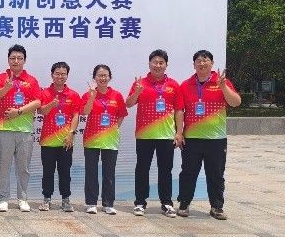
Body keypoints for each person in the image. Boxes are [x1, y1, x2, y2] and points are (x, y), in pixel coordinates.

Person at [177, 51, 241, 220]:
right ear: (194, 65)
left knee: (216, 174)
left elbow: (236, 102)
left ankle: (217, 207)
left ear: (212, 63)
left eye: (205, 60)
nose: (202, 63)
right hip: (192, 138)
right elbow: (180, 110)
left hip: (216, 139)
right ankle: (184, 204)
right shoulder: (186, 85)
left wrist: (223, 87)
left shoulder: (222, 82)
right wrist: (179, 132)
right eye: (198, 61)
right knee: (188, 173)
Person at [125, 49, 184, 217]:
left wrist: (179, 133)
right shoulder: (140, 83)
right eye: (155, 62)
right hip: (144, 135)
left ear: (166, 65)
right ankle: (140, 203)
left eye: (161, 63)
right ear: (149, 64)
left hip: (166, 135)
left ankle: (166, 203)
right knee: (142, 169)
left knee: (165, 170)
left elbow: (179, 110)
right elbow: (128, 104)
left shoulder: (173, 85)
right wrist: (137, 92)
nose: (157, 65)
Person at [0, 44, 41, 212]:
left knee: (23, 167)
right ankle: (3, 198)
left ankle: (22, 199)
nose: (16, 61)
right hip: (3, 129)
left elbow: (38, 102)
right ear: (8, 60)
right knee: (3, 165)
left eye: (19, 58)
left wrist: (18, 111)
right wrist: (6, 87)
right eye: (13, 58)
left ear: (24, 60)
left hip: (24, 130)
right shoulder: (0, 77)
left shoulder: (31, 80)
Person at [81, 64, 128, 215]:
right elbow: (84, 112)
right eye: (99, 75)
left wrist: (112, 129)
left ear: (110, 77)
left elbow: (121, 115)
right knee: (91, 172)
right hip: (91, 139)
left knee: (109, 172)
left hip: (110, 140)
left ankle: (108, 203)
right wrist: (92, 97)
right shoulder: (88, 94)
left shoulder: (117, 95)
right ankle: (91, 203)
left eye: (105, 75)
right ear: (94, 78)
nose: (102, 78)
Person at [37, 61, 81, 213]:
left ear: (67, 76)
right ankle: (46, 199)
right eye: (57, 73)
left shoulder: (73, 95)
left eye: (63, 74)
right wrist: (51, 104)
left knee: (65, 172)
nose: (60, 76)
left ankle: (65, 200)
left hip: (66, 141)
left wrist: (71, 134)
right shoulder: (45, 93)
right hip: (48, 141)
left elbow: (76, 115)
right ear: (52, 75)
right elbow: (41, 111)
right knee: (48, 172)